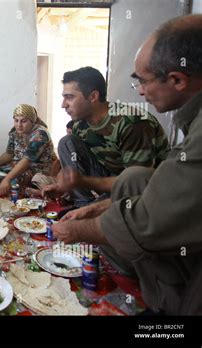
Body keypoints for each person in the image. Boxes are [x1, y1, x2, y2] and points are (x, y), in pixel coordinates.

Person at [53, 14, 202, 315]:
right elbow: (149, 181)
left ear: (177, 79)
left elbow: (149, 206)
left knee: (128, 191)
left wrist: (81, 230)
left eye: (142, 81)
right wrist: (93, 204)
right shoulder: (80, 126)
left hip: (163, 210)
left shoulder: (132, 123)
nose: (141, 91)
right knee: (121, 174)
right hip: (124, 186)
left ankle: (166, 310)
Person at [43, 67, 169, 207]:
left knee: (97, 215)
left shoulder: (133, 123)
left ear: (93, 97)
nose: (63, 105)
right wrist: (63, 187)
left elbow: (137, 184)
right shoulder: (79, 125)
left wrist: (92, 198)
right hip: (110, 176)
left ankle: (90, 209)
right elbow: (80, 165)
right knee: (67, 142)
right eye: (64, 97)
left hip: (146, 189)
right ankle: (82, 204)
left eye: (70, 97)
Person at [0, 104, 58, 196]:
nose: (19, 125)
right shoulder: (15, 132)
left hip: (38, 168)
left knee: (14, 180)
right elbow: (9, 153)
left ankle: (30, 192)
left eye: (23, 121)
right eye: (16, 120)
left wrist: (7, 179)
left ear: (32, 122)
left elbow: (27, 160)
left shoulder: (40, 134)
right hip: (18, 164)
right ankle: (4, 183)